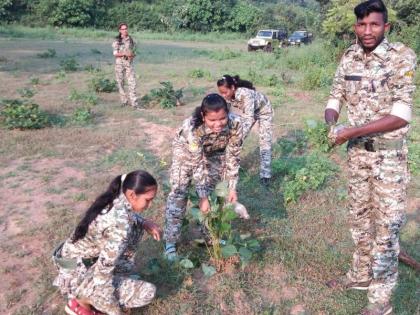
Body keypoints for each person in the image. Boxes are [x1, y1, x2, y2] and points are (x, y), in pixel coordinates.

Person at [324, 1, 416, 314]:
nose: (367, 31)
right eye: (362, 25)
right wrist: (332, 123)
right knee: (359, 221)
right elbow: (335, 95)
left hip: (388, 159)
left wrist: (352, 131)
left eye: (374, 25)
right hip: (357, 157)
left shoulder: (401, 56)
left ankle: (380, 303)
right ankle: (360, 275)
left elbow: (401, 115)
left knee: (386, 232)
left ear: (385, 27)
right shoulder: (349, 56)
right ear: (355, 27)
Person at [52, 170, 162, 315]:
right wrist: (115, 311)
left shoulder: (118, 195)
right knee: (147, 292)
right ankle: (81, 300)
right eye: (148, 200)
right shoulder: (120, 228)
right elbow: (102, 277)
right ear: (132, 195)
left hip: (73, 261)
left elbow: (127, 215)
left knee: (131, 253)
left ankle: (90, 293)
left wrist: (144, 222)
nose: (149, 205)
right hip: (77, 273)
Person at [164, 93, 243, 260]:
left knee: (217, 194)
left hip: (214, 153)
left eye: (222, 118)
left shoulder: (236, 124)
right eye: (212, 120)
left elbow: (233, 156)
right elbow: (197, 163)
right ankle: (170, 242)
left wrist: (232, 186)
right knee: (179, 193)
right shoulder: (192, 128)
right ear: (203, 115)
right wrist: (202, 197)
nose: (218, 124)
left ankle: (209, 236)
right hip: (185, 155)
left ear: (227, 112)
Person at [217, 75, 273, 186]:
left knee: (264, 142)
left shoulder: (245, 94)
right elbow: (225, 115)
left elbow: (248, 119)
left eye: (225, 92)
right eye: (221, 93)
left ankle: (265, 175)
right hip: (251, 112)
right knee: (234, 137)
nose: (223, 96)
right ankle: (227, 167)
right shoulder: (229, 97)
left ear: (233, 88)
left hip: (264, 112)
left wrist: (239, 137)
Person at [112, 23, 139, 108]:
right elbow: (115, 53)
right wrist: (124, 53)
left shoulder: (131, 40)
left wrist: (132, 55)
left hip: (129, 64)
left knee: (132, 82)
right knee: (120, 83)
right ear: (120, 30)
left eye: (126, 28)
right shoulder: (117, 41)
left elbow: (135, 52)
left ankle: (134, 103)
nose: (125, 30)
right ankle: (124, 101)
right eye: (123, 29)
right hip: (119, 64)